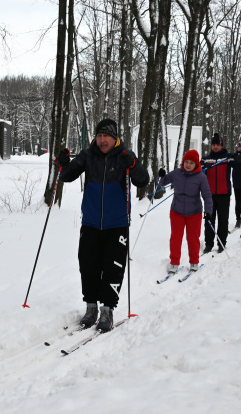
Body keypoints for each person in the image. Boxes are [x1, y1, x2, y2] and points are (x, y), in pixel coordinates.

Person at [55, 118, 150, 333]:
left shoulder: (125, 156)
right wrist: (62, 163)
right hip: (90, 222)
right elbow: (67, 176)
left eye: (106, 136)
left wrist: (133, 165)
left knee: (113, 267)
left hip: (116, 223)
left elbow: (143, 180)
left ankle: (107, 309)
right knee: (87, 265)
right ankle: (91, 307)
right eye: (99, 136)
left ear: (114, 138)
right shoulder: (88, 156)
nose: (102, 140)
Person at [157, 150, 213, 274]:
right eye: (186, 162)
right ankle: (174, 262)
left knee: (193, 238)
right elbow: (162, 182)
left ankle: (194, 261)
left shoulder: (201, 177)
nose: (188, 165)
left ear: (196, 164)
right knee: (176, 238)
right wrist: (161, 175)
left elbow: (207, 196)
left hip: (194, 213)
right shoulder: (177, 173)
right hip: (177, 211)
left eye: (191, 163)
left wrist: (208, 211)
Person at [201, 133, 232, 254]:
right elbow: (196, 168)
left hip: (224, 194)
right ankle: (209, 244)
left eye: (217, 145)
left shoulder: (227, 158)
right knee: (209, 220)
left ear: (222, 145)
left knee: (223, 220)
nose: (215, 147)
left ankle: (221, 243)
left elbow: (240, 161)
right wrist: (204, 166)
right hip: (209, 195)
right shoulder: (206, 159)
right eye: (213, 144)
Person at [230, 140, 241, 229]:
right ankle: (238, 220)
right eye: (239, 146)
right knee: (238, 203)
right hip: (237, 183)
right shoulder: (234, 156)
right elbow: (230, 164)